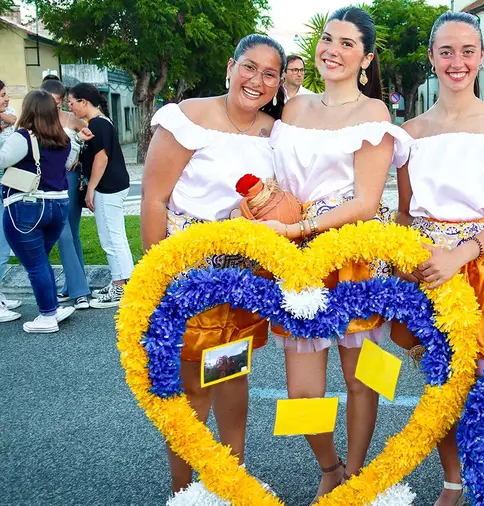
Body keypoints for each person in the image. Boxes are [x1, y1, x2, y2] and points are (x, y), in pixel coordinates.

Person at [264, 8, 411, 499]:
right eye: (328, 39)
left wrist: (300, 226)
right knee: (302, 390)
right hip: (293, 257)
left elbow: (366, 200)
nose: (333, 50)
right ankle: (328, 466)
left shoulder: (373, 114)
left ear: (365, 58)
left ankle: (358, 471)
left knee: (363, 376)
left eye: (348, 44)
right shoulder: (293, 108)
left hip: (352, 256)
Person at [395, 11, 484, 506]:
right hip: (429, 268)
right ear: (433, 57)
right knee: (443, 389)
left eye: (468, 51)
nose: (458, 61)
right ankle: (453, 483)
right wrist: (410, 258)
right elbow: (405, 210)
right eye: (447, 51)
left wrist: (462, 254)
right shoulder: (408, 132)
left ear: (481, 57)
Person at [142, 34, 285, 494]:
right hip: (188, 272)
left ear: (279, 82)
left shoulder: (272, 131)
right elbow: (154, 198)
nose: (257, 80)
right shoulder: (187, 117)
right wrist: (156, 275)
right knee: (190, 388)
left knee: (230, 376)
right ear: (230, 66)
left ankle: (229, 481)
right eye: (249, 67)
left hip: (242, 275)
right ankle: (184, 491)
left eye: (270, 73)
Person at [0, 90, 82, 332]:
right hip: (58, 205)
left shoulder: (23, 137)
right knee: (40, 260)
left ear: (29, 110)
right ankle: (53, 307)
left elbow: (3, 160)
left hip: (27, 204)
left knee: (34, 264)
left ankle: (47, 316)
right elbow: (68, 165)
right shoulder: (63, 138)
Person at [68, 83, 134, 308]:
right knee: (117, 236)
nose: (71, 108)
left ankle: (119, 285)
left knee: (110, 238)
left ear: (84, 102)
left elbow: (102, 157)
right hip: (114, 185)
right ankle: (123, 281)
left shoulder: (97, 123)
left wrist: (91, 188)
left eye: (72, 103)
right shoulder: (100, 122)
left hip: (108, 187)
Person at [40, 79, 91, 310]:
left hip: (70, 178)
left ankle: (75, 287)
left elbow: (92, 136)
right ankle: (78, 289)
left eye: (59, 102)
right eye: (52, 102)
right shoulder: (36, 120)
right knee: (64, 234)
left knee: (72, 233)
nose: (56, 107)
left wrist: (80, 158)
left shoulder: (71, 119)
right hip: (46, 180)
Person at [0, 79, 24, 319]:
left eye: (6, 94)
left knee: (4, 244)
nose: (6, 99)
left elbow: (14, 119)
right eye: (2, 95)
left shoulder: (6, 115)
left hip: (4, 188)